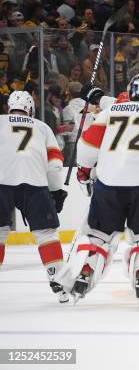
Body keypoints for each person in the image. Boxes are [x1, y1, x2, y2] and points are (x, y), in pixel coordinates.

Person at [58, 74, 139, 307]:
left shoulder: (112, 111)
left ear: (129, 91)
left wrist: (84, 171)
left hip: (108, 184)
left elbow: (88, 145)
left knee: (96, 235)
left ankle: (85, 270)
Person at [0, 91, 69, 303]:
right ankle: (58, 281)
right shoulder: (42, 127)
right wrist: (56, 191)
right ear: (30, 109)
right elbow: (55, 164)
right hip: (35, 184)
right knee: (46, 234)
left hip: (1, 181)